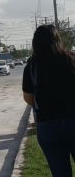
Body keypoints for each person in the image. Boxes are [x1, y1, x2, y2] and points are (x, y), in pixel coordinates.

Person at [22, 25, 75, 176]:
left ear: (35, 43)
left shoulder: (31, 66)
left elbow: (28, 97)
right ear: (58, 39)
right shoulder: (72, 59)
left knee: (60, 173)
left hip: (48, 126)